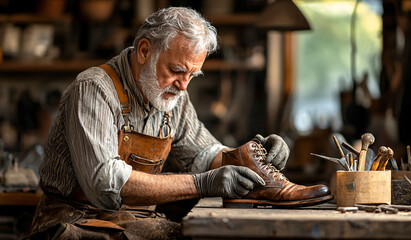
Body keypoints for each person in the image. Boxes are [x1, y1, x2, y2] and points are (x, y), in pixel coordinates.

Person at [28, 7, 293, 239]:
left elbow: (204, 154)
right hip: (75, 223)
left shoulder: (173, 97)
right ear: (144, 50)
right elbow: (104, 185)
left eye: (192, 74)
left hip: (133, 222)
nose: (183, 85)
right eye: (176, 70)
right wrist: (202, 184)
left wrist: (249, 156)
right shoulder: (94, 89)